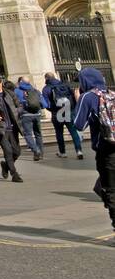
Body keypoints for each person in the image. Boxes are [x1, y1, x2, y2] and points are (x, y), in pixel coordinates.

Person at [71, 68, 115, 236]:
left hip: (106, 150)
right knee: (102, 187)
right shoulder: (112, 94)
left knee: (108, 190)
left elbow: (78, 124)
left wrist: (78, 101)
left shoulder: (87, 97)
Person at [42, 72, 83, 159]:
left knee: (59, 133)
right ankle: (79, 151)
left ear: (46, 79)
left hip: (57, 112)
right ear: (55, 77)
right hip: (68, 110)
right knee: (73, 132)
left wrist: (52, 109)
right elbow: (72, 96)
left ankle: (62, 152)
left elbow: (46, 104)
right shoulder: (64, 84)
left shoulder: (46, 89)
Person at [13, 75, 45, 161]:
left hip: (25, 115)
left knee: (28, 134)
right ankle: (41, 153)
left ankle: (36, 150)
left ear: (20, 82)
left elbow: (14, 104)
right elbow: (44, 104)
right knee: (38, 134)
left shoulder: (16, 91)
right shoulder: (35, 90)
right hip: (37, 115)